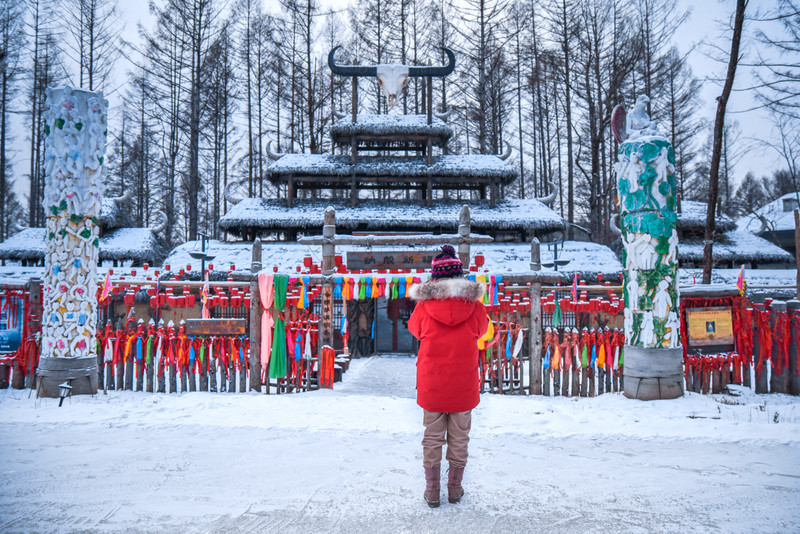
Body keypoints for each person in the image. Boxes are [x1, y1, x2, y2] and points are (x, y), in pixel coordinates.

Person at [408, 245, 489, 508]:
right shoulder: (475, 307)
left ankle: (432, 491)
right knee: (460, 437)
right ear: (460, 275)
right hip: (463, 385)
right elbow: (483, 331)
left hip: (432, 384)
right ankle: (454, 489)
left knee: (432, 437)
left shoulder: (423, 307)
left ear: (435, 277)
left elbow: (415, 330)